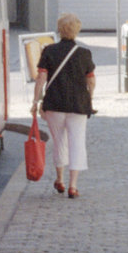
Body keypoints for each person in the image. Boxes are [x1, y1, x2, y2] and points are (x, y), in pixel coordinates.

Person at [31, 13, 96, 198]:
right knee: (77, 142)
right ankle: (73, 186)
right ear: (77, 30)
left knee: (59, 141)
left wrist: (36, 101)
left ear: (59, 30)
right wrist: (89, 98)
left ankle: (60, 179)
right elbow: (91, 81)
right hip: (78, 106)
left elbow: (41, 78)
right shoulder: (84, 53)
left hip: (55, 104)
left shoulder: (49, 51)